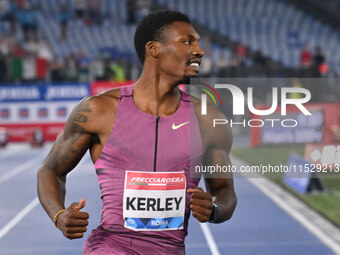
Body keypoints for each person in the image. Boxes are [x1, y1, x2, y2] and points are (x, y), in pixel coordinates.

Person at [37, 10, 237, 254]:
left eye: (197, 42)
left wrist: (214, 209)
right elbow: (50, 170)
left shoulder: (209, 120)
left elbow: (225, 192)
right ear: (153, 49)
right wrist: (59, 215)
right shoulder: (98, 111)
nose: (199, 50)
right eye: (187, 41)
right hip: (110, 247)